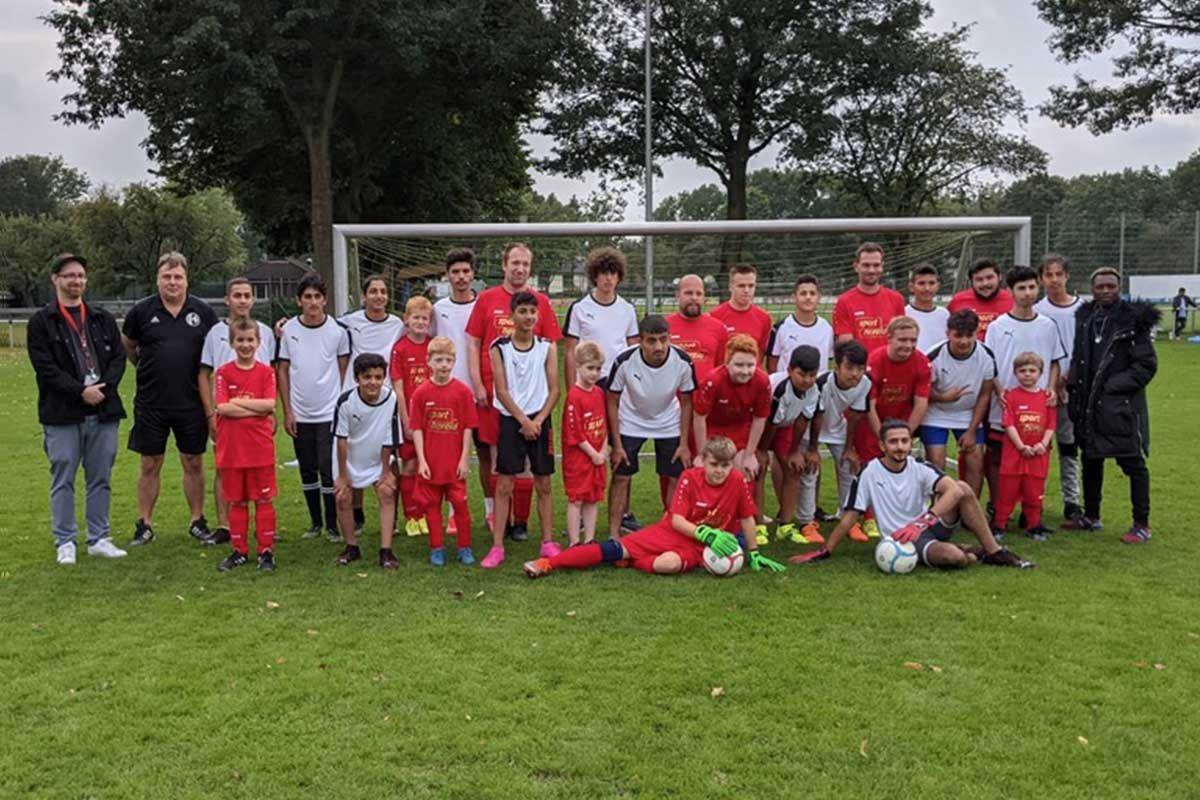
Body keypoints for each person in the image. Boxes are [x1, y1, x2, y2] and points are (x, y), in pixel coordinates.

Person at [522, 437, 786, 578]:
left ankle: (634, 562)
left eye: (725, 466)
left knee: (667, 566)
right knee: (612, 549)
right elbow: (677, 521)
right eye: (714, 465)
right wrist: (706, 532)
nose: (719, 471)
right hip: (673, 533)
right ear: (703, 461)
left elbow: (747, 518)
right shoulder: (689, 477)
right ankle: (549, 563)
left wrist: (753, 552)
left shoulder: (738, 481)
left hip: (705, 547)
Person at [790, 420, 1034, 569]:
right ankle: (969, 551)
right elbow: (851, 515)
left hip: (928, 524)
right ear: (883, 446)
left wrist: (923, 521)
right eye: (893, 442)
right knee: (956, 559)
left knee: (963, 489)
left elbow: (955, 490)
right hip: (904, 538)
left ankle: (994, 552)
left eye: (905, 441)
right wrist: (826, 550)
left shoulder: (918, 465)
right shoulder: (869, 472)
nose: (900, 447)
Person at [28, 252, 128, 565]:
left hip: (103, 409)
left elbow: (118, 359)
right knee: (64, 477)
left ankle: (99, 537)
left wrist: (103, 389)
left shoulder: (100, 318)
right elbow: (45, 367)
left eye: (81, 275)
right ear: (55, 279)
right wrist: (79, 391)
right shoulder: (42, 322)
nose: (77, 281)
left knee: (100, 477)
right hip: (63, 413)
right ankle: (65, 541)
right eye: (70, 275)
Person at [466, 243, 562, 542]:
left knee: (528, 465)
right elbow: (473, 342)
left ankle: (520, 521)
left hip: (533, 400)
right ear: (504, 265)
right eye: (515, 263)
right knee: (496, 459)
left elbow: (551, 345)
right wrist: (478, 384)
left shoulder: (541, 302)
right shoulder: (486, 300)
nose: (519, 269)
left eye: (525, 264)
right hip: (496, 395)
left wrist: (545, 397)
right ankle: (498, 517)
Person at [121, 251, 218, 546]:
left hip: (191, 402)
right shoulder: (141, 311)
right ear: (157, 279)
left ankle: (197, 520)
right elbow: (128, 346)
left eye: (178, 277)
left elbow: (214, 353)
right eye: (167, 277)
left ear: (187, 280)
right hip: (152, 402)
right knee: (150, 463)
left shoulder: (203, 312)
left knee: (193, 461)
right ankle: (145, 524)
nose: (172, 282)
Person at [1067, 267, 1159, 543]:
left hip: (1119, 408)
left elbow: (1147, 365)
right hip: (1087, 406)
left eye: (1111, 286)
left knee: (1133, 464)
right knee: (1091, 458)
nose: (1105, 291)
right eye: (1100, 287)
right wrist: (1074, 387)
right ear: (1091, 289)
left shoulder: (1133, 321)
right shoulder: (1086, 319)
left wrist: (1113, 388)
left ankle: (1141, 523)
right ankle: (1092, 515)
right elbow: (1079, 358)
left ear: (1119, 288)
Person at [484, 291, 562, 569]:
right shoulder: (499, 347)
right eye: (523, 311)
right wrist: (523, 421)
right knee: (504, 483)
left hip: (540, 421)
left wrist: (538, 420)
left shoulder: (547, 347)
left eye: (533, 311)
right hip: (511, 420)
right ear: (512, 315)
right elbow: (501, 390)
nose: (528, 317)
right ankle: (497, 547)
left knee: (543, 482)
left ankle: (548, 541)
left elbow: (555, 390)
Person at [198, 277, 276, 547]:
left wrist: (262, 409)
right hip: (226, 420)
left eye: (247, 295)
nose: (242, 300)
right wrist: (212, 414)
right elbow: (204, 373)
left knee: (259, 473)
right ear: (227, 299)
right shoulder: (214, 333)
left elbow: (271, 379)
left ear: (252, 299)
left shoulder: (265, 332)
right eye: (237, 295)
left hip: (258, 422)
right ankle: (224, 525)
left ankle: (262, 531)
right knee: (225, 471)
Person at [983, 266, 1065, 518]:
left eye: (1031, 287)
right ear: (1010, 291)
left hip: (1038, 409)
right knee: (999, 458)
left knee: (1035, 459)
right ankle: (999, 507)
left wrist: (1051, 388)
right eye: (1021, 288)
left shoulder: (1048, 325)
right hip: (1006, 406)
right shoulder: (998, 326)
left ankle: (1030, 511)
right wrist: (1000, 392)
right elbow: (990, 366)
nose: (1027, 293)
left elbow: (1054, 361)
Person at [606, 316, 696, 540]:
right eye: (651, 341)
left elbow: (687, 401)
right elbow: (612, 400)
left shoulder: (683, 361)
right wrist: (616, 445)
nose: (659, 346)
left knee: (674, 475)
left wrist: (684, 444)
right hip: (631, 421)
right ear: (640, 341)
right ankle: (614, 535)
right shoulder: (624, 361)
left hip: (668, 422)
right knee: (621, 476)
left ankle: (672, 531)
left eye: (663, 340)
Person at [277, 272, 351, 542]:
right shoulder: (289, 331)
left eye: (317, 297)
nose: (312, 302)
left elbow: (344, 371)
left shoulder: (338, 331)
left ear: (325, 300)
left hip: (328, 412)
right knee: (307, 467)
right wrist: (288, 411)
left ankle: (332, 524)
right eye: (307, 297)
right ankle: (315, 522)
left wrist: (340, 410)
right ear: (299, 301)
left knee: (327, 467)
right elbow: (282, 370)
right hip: (300, 412)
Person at [212, 319, 278, 572]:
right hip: (232, 450)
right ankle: (239, 550)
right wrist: (254, 408)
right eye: (240, 340)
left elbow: (270, 405)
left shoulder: (266, 372)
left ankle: (266, 551)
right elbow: (222, 408)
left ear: (258, 342)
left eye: (250, 340)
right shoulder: (223, 373)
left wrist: (237, 403)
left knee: (263, 500)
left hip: (259, 449)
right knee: (237, 501)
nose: (245, 345)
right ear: (232, 343)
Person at [692, 334, 771, 542]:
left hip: (740, 431)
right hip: (713, 431)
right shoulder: (713, 380)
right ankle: (709, 521)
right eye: (739, 365)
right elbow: (699, 417)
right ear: (727, 363)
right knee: (713, 472)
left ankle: (742, 525)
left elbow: (760, 418)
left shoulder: (762, 381)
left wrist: (750, 454)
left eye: (750, 365)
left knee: (745, 472)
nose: (745, 371)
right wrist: (701, 454)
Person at [410, 336, 478, 565]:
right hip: (431, 462)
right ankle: (436, 547)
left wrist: (464, 459)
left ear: (454, 362)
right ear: (428, 361)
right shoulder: (420, 394)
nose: (444, 365)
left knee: (460, 505)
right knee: (432, 507)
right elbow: (417, 429)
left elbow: (468, 427)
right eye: (439, 360)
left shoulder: (462, 392)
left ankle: (464, 547)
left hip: (454, 463)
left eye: (448, 360)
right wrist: (422, 460)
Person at [332, 353, 400, 569]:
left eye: (378, 377)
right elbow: (341, 440)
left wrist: (385, 471)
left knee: (387, 492)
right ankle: (351, 547)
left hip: (377, 458)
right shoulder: (345, 401)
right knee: (343, 498)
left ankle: (386, 551)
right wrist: (343, 476)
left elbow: (389, 436)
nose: (373, 382)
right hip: (350, 459)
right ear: (357, 378)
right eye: (367, 377)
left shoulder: (391, 399)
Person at [918, 309, 994, 495]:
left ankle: (970, 511)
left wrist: (972, 430)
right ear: (948, 334)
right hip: (936, 413)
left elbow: (985, 394)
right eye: (958, 335)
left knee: (975, 460)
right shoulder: (933, 356)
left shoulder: (986, 355)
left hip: (968, 414)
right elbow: (921, 393)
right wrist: (943, 397)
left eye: (969, 335)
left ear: (977, 333)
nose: (963, 341)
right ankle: (940, 512)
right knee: (936, 463)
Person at [430, 248, 479, 537]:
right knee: (448, 456)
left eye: (465, 272)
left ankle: (490, 511)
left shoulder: (482, 304)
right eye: (455, 272)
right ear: (447, 275)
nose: (461, 277)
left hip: (478, 392)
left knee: (485, 456)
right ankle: (451, 514)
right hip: (446, 392)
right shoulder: (439, 308)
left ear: (473, 274)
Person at [1034, 254, 1085, 522]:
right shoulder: (1038, 310)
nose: (1054, 280)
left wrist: (1071, 376)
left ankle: (1071, 501)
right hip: (1043, 390)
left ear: (1067, 276)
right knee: (1038, 448)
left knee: (1069, 445)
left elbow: (1087, 348)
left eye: (1058, 274)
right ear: (1041, 279)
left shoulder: (1082, 309)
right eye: (1048, 275)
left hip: (1073, 389)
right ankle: (1035, 501)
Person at [812, 340, 873, 543]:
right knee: (810, 471)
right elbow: (814, 415)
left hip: (838, 428)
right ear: (837, 367)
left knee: (849, 468)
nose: (855, 373)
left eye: (860, 368)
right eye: (849, 367)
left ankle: (848, 519)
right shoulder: (821, 382)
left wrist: (849, 448)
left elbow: (855, 416)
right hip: (811, 429)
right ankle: (808, 520)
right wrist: (812, 448)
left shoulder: (865, 383)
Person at [760, 346, 822, 545]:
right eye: (801, 374)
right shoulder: (779, 388)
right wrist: (762, 451)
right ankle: (758, 524)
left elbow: (803, 419)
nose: (806, 380)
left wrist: (795, 451)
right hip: (762, 424)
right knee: (758, 470)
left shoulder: (813, 390)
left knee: (794, 469)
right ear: (789, 370)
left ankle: (785, 525)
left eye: (812, 375)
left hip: (785, 425)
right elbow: (771, 424)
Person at [994, 352, 1056, 541]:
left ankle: (1033, 525)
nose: (1027, 374)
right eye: (1022, 371)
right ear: (1015, 373)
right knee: (1007, 492)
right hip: (1014, 455)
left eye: (1032, 370)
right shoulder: (1010, 396)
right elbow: (1008, 424)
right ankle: (999, 526)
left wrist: (1042, 444)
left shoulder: (1047, 397)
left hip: (1038, 455)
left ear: (1040, 373)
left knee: (1034, 493)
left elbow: (1051, 425)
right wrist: (1021, 446)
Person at [562, 246, 639, 388]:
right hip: (588, 381)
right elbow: (570, 352)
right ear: (595, 276)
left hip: (618, 381)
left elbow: (633, 350)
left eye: (613, 273)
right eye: (604, 273)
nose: (608, 278)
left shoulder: (628, 309)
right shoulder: (579, 308)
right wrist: (572, 390)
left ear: (619, 277)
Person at [389, 296, 433, 537]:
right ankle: (411, 515)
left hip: (432, 419)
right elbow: (398, 387)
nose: (420, 322)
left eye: (424, 318)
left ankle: (426, 512)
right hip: (410, 418)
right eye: (415, 317)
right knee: (410, 464)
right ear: (406, 320)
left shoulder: (433, 345)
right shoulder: (400, 349)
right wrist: (406, 419)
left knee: (428, 466)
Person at [561, 341, 609, 547]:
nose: (594, 373)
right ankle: (574, 542)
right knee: (576, 499)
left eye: (598, 369)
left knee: (593, 498)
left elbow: (604, 423)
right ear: (578, 366)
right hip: (579, 458)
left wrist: (603, 449)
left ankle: (589, 539)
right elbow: (575, 432)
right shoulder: (574, 396)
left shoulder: (599, 393)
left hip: (597, 457)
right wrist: (593, 453)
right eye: (590, 368)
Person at [832, 242, 906, 353]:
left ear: (882, 266)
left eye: (876, 265)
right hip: (859, 368)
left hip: (888, 367)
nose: (871, 270)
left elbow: (901, 339)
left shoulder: (897, 299)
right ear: (856, 267)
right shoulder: (844, 302)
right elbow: (847, 347)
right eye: (866, 265)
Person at [666, 274, 728, 384]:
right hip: (672, 398)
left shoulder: (719, 328)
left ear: (704, 297)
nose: (694, 298)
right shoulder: (664, 327)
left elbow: (722, 368)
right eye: (688, 293)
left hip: (706, 397)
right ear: (677, 296)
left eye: (699, 294)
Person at [766, 273, 834, 374]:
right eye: (803, 293)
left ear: (819, 298)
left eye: (812, 293)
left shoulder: (827, 329)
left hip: (817, 387)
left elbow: (828, 359)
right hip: (787, 387)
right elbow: (772, 364)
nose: (808, 297)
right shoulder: (781, 327)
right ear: (794, 297)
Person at [711, 264, 773, 360]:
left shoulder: (764, 318)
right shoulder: (715, 317)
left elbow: (761, 354)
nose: (746, 290)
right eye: (741, 286)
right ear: (730, 287)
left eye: (751, 286)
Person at [948, 258, 1013, 339]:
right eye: (979, 279)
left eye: (989, 278)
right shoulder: (958, 301)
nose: (985, 283)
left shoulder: (1012, 300)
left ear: (999, 277)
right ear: (971, 281)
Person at [905, 263, 950, 353]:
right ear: (911, 287)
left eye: (931, 283)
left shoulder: (945, 315)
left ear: (938, 286)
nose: (927, 288)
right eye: (921, 283)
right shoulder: (904, 314)